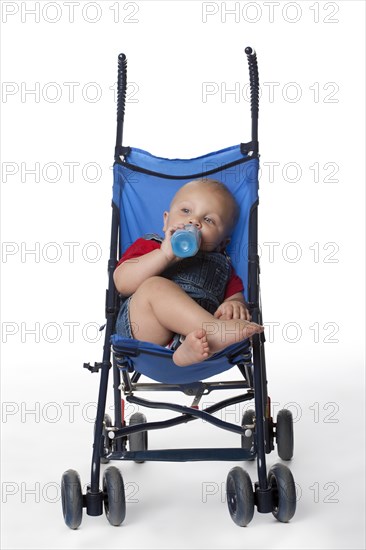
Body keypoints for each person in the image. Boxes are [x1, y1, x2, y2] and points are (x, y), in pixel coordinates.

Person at [113, 178, 264, 367]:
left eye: (208, 220)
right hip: (146, 330)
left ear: (222, 243)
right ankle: (213, 330)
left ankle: (185, 349)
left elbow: (236, 297)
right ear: (166, 220)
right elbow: (122, 283)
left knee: (226, 317)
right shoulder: (151, 246)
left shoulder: (223, 266)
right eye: (186, 211)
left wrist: (233, 304)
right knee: (154, 286)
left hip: (198, 341)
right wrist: (163, 256)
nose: (194, 221)